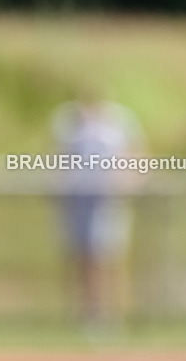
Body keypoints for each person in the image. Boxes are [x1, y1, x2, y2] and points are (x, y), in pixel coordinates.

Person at [52, 86, 146, 330]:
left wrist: (128, 181)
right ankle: (86, 311)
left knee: (108, 255)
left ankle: (112, 313)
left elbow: (136, 155)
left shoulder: (118, 124)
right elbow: (58, 156)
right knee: (81, 255)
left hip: (107, 199)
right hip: (79, 198)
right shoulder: (70, 124)